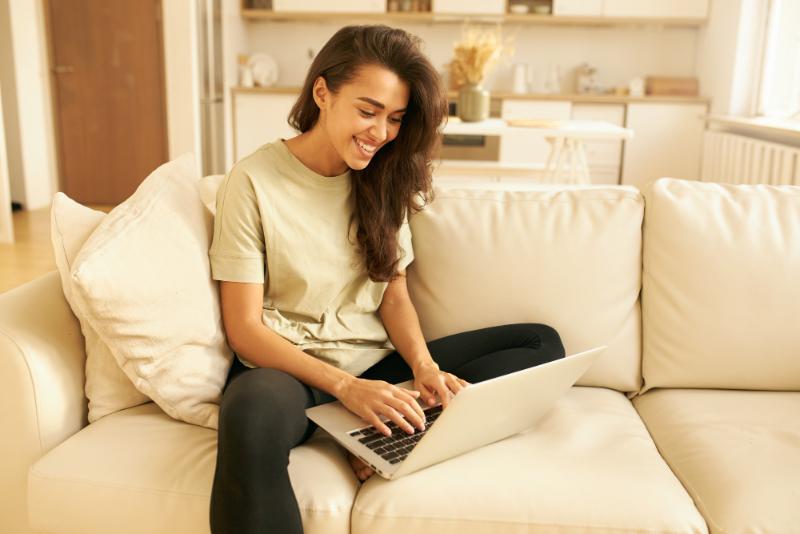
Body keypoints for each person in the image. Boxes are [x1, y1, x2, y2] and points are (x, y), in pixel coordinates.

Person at [208, 24, 566, 534]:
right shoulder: (252, 182)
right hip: (294, 373)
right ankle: (381, 425)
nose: (380, 133)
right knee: (248, 412)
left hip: (378, 367)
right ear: (322, 93)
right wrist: (347, 389)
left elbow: (392, 297)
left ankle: (392, 435)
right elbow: (244, 329)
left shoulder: (384, 177)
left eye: (395, 119)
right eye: (368, 111)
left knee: (539, 343)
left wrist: (423, 368)